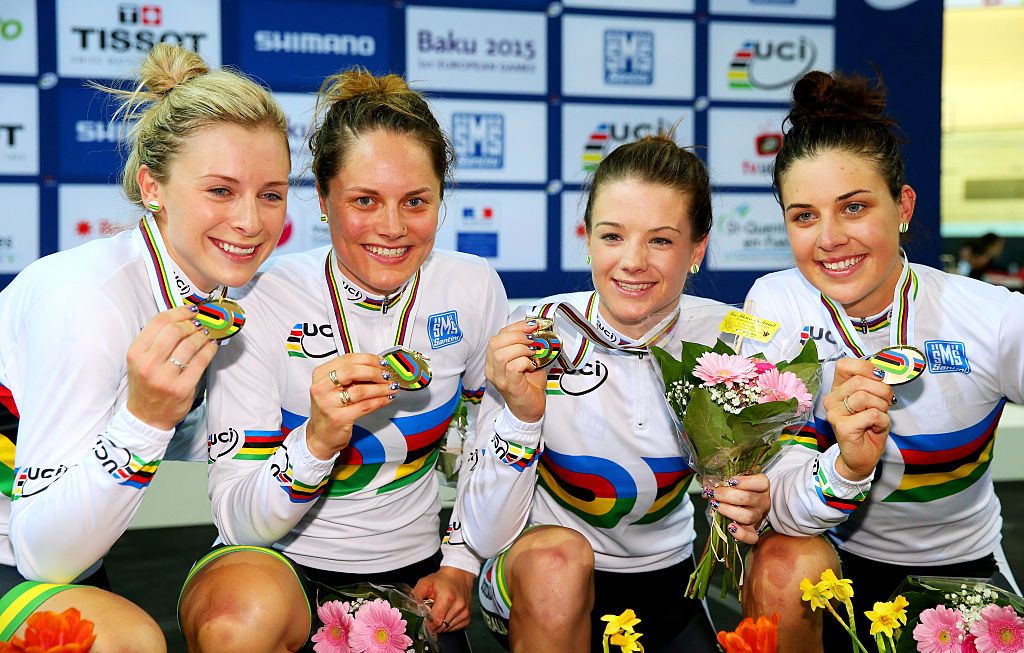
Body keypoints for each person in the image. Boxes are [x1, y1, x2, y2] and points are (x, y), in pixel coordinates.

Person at [177, 68, 508, 653]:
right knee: (234, 626)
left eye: (415, 202)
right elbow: (238, 521)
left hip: (419, 574)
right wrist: (318, 440)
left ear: (441, 200)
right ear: (324, 200)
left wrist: (461, 561)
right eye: (364, 201)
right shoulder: (260, 299)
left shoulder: (472, 286)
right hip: (281, 573)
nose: (391, 227)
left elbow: (493, 434)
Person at [0, 43, 289, 649]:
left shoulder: (209, 292)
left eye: (270, 193)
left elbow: (190, 437)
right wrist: (145, 419)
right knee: (128, 640)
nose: (251, 222)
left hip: (66, 544)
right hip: (35, 548)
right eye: (220, 191)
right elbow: (42, 553)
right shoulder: (89, 300)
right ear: (152, 186)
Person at [452, 135, 772, 653]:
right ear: (588, 239)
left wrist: (760, 497)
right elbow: (484, 536)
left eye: (661, 241)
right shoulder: (536, 332)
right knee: (557, 563)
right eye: (612, 236)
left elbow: (776, 490)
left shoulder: (732, 341)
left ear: (698, 248)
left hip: (669, 584)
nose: (632, 261)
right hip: (542, 577)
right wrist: (523, 415)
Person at [740, 71, 1024, 651]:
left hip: (961, 571)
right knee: (782, 561)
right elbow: (779, 501)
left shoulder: (990, 316)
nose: (828, 239)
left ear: (903, 206)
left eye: (854, 208)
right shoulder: (776, 304)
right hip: (830, 561)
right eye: (803, 216)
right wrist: (846, 468)